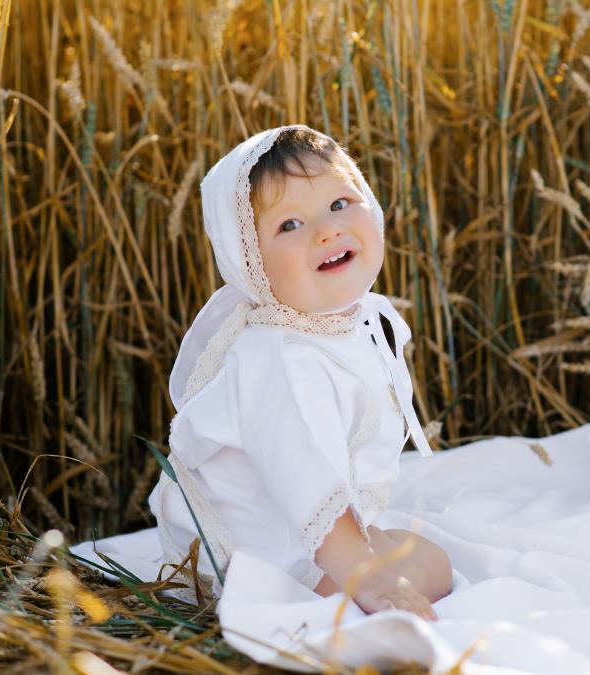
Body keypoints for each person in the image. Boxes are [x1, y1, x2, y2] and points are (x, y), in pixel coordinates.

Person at [147, 124, 453, 621]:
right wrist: (368, 576)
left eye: (339, 204)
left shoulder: (333, 327)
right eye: (289, 225)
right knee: (428, 565)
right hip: (253, 562)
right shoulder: (278, 358)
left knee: (423, 554)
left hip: (297, 537)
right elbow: (303, 475)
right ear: (250, 263)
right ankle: (337, 583)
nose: (327, 229)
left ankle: (351, 561)